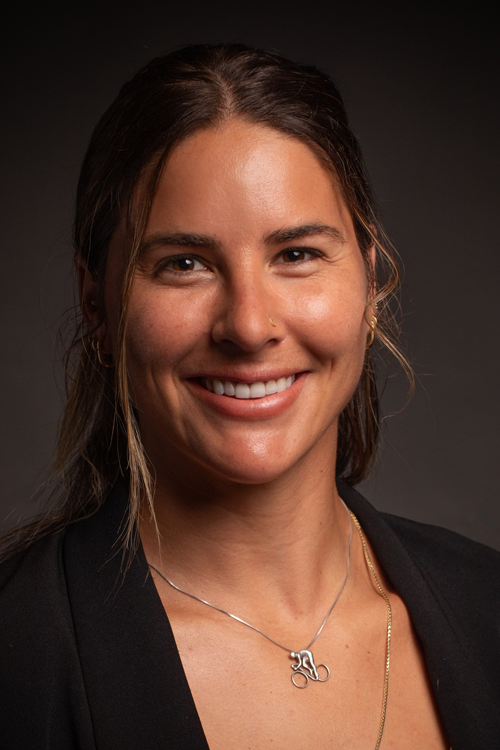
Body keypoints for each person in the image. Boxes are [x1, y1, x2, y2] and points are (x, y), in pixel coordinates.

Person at [0, 43, 499, 750]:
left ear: (369, 279)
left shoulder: (488, 608)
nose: (249, 325)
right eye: (185, 264)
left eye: (296, 254)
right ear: (96, 305)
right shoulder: (19, 660)